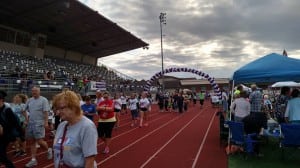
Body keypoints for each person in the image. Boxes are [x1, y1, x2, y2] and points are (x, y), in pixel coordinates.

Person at [52, 90, 98, 168]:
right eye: (57, 109)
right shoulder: (61, 126)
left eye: (61, 108)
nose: (58, 112)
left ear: (73, 107)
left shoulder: (87, 127)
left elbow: (90, 161)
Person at [25, 86, 52, 168]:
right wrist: (26, 119)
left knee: (40, 141)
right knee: (32, 142)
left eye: (35, 91)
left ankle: (48, 150)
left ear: (39, 92)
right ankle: (33, 160)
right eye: (33, 91)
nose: (34, 92)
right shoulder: (29, 100)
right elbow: (24, 109)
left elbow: (46, 112)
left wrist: (46, 122)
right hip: (31, 123)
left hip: (39, 123)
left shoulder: (43, 100)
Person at [0, 90, 22, 168]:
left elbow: (14, 123)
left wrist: (3, 128)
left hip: (6, 135)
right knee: (2, 155)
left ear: (1, 100)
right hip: (2, 134)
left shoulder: (7, 110)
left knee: (2, 155)